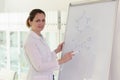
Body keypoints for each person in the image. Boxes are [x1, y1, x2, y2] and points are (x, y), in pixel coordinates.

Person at [24, 9, 74, 80]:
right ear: (30, 21)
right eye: (38, 20)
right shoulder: (30, 41)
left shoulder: (40, 37)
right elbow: (39, 66)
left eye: (43, 20)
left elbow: (45, 58)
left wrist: (57, 50)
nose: (41, 23)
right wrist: (62, 60)